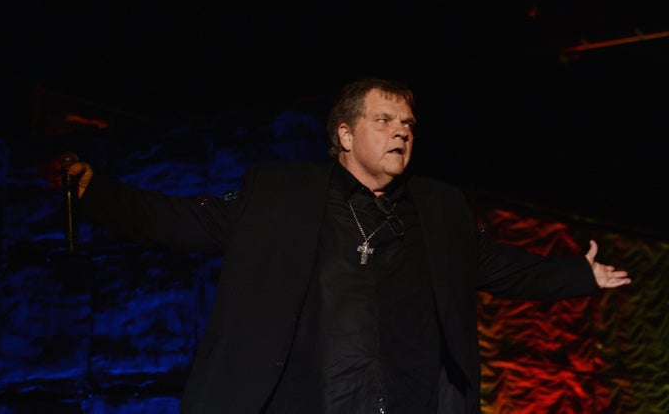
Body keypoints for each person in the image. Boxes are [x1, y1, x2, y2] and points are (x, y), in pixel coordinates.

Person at [59, 77, 631, 414]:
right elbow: (181, 221)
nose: (402, 131)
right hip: (303, 397)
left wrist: (578, 275)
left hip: (406, 398)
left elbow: (499, 267)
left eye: (407, 122)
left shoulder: (438, 207)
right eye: (384, 120)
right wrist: (96, 195)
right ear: (345, 135)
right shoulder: (280, 195)